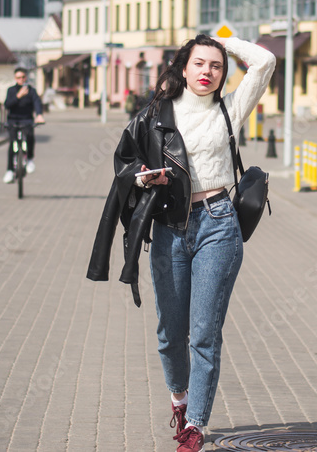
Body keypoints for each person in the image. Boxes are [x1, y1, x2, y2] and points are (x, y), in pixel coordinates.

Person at [87, 34, 275, 452]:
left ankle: (195, 424)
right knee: (171, 334)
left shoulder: (231, 109)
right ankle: (179, 397)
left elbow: (264, 62)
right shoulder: (156, 114)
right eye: (199, 63)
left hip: (218, 224)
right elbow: (126, 160)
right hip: (170, 227)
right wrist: (143, 176)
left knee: (204, 333)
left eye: (216, 66)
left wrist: (226, 39)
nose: (207, 72)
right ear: (183, 68)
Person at [2, 68, 44, 183]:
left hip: (26, 120)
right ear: (15, 78)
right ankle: (10, 171)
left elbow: (37, 103)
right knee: (12, 144)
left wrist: (39, 114)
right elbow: (7, 105)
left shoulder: (31, 91)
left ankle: (30, 158)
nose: (21, 80)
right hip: (13, 120)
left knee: (30, 136)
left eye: (23, 77)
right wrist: (18, 96)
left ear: (26, 77)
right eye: (18, 78)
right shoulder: (11, 90)